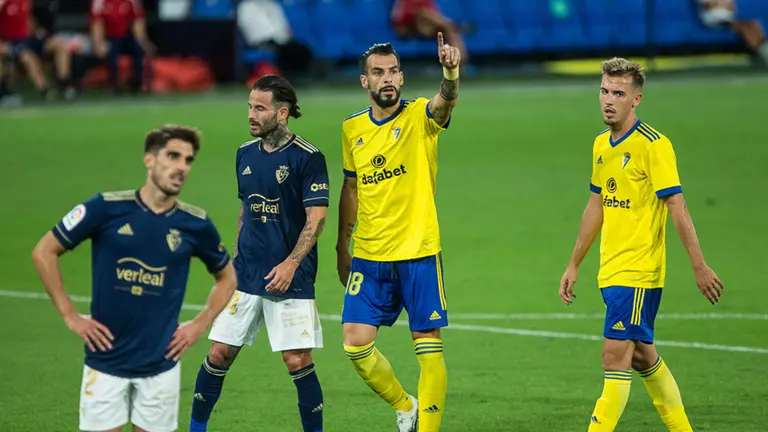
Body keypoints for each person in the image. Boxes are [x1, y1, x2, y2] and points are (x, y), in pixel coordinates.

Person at [31, 125, 237, 432]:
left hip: (161, 368)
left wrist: (199, 325)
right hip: (105, 364)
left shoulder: (195, 224)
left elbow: (227, 278)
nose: (181, 167)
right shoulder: (106, 208)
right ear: (149, 160)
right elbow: (44, 251)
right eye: (173, 156)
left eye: (188, 160)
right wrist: (70, 315)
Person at [558, 57, 725, 432]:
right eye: (604, 90)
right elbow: (596, 205)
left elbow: (677, 206)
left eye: (618, 93)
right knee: (642, 358)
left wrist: (699, 266)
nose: (608, 100)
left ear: (636, 99)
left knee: (613, 357)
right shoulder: (601, 144)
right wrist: (574, 263)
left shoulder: (654, 146)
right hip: (611, 270)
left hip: (638, 273)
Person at [189, 75, 329, 432]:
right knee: (218, 353)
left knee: (296, 360)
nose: (251, 114)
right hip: (246, 275)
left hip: (289, 278)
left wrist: (291, 263)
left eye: (259, 108)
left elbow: (316, 219)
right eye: (249, 106)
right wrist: (235, 261)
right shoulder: (244, 154)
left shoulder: (308, 158)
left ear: (282, 114)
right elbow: (245, 210)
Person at [336, 33, 460, 432]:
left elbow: (445, 104)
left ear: (402, 78)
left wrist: (450, 73)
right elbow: (351, 187)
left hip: (418, 250)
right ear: (364, 82)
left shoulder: (420, 116)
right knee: (355, 344)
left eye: (392, 71)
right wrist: (343, 244)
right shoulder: (351, 128)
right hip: (370, 255)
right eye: (378, 73)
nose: (386, 79)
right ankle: (405, 404)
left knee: (428, 349)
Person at [0, 0, 76, 101]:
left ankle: (63, 83)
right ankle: (44, 89)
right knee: (27, 56)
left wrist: (39, 32)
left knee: (61, 46)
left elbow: (28, 18)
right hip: (12, 42)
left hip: (30, 39)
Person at [89, 0, 155, 94]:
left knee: (138, 50)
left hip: (126, 37)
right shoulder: (100, 2)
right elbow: (97, 22)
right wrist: (98, 44)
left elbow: (138, 21)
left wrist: (143, 41)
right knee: (112, 51)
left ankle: (137, 83)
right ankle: (115, 85)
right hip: (109, 37)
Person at [391, 0, 468, 66]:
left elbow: (434, 14)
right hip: (408, 29)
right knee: (423, 13)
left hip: (428, 28)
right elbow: (398, 19)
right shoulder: (404, 2)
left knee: (451, 33)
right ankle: (449, 24)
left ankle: (458, 63)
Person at [697, 0, 768, 66]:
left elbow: (731, 7)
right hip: (713, 18)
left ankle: (760, 52)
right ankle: (763, 53)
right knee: (745, 27)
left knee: (753, 25)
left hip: (727, 18)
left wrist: (722, 5)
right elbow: (708, 6)